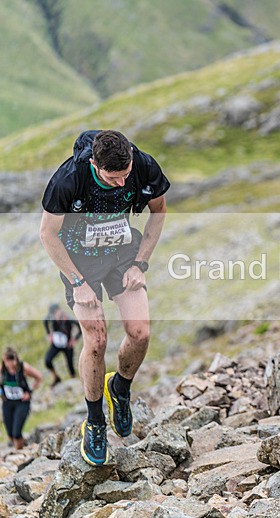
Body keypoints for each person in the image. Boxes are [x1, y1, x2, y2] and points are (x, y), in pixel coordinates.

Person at [39, 130, 169, 466]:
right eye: (114, 178)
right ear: (95, 164)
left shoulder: (140, 165)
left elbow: (159, 210)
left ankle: (120, 389)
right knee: (96, 341)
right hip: (79, 261)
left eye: (126, 175)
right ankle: (95, 421)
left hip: (122, 251)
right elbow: (48, 235)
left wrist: (141, 263)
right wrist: (78, 283)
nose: (122, 183)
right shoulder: (69, 179)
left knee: (140, 332)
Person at [1, 348, 43, 450]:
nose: (10, 364)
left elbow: (39, 377)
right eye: (7, 361)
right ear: (4, 360)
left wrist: (30, 392)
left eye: (12, 360)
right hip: (8, 402)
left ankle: (19, 453)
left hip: (22, 403)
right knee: (10, 433)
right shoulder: (2, 370)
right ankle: (24, 445)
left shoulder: (23, 367)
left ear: (16, 358)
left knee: (16, 433)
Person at [42, 303, 82, 386]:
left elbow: (79, 327)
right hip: (56, 344)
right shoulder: (51, 317)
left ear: (59, 310)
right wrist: (49, 334)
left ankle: (73, 380)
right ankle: (56, 377)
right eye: (53, 314)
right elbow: (45, 321)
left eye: (55, 313)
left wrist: (74, 339)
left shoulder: (68, 318)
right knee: (47, 360)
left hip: (67, 345)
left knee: (70, 364)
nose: (54, 316)